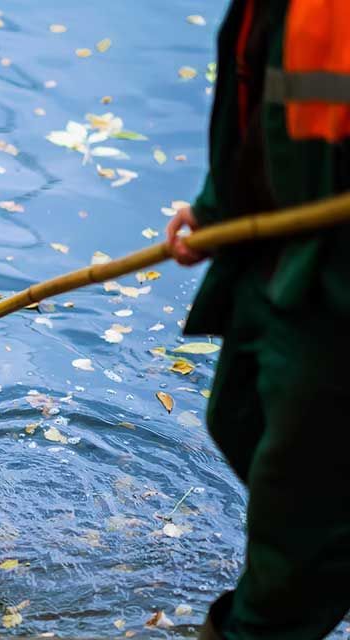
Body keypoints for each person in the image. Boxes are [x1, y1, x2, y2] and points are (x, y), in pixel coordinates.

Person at [165, 0, 350, 638]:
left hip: (336, 292)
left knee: (297, 495)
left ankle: (260, 623)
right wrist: (217, 209)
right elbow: (262, 101)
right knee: (235, 414)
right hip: (273, 253)